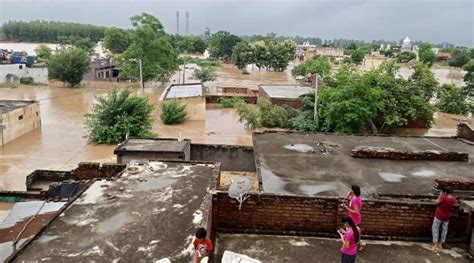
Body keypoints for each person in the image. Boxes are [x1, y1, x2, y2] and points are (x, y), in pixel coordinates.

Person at [432, 186, 456, 251]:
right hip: (447, 217)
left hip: (439, 216)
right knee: (444, 230)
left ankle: (435, 244)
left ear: (445, 192)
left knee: (435, 229)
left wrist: (440, 195)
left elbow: (436, 202)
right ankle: (441, 244)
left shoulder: (443, 197)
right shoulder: (454, 199)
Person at [342, 185, 366, 251]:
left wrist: (347, 208)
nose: (351, 191)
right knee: (353, 233)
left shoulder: (355, 200)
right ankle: (359, 244)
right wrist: (348, 195)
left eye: (352, 190)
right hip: (352, 218)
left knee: (354, 234)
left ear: (354, 191)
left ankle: (361, 244)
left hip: (354, 219)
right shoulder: (355, 197)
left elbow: (356, 211)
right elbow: (349, 199)